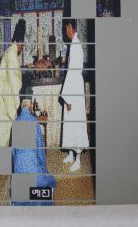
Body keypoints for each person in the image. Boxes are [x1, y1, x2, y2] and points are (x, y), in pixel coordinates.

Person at [12, 99, 56, 206]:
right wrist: (43, 165)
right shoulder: (33, 121)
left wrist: (15, 165)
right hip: (32, 162)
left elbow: (13, 150)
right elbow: (40, 147)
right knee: (44, 182)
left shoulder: (16, 122)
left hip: (19, 163)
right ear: (30, 107)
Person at [0, 19, 26, 147]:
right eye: (22, 45)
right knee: (3, 137)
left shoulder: (9, 52)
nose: (22, 48)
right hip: (5, 102)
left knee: (0, 135)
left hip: (1, 100)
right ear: (20, 43)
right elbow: (14, 84)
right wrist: (17, 106)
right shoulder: (12, 55)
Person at [60, 19, 89, 172]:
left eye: (68, 28)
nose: (67, 31)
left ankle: (78, 159)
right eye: (66, 29)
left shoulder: (76, 45)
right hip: (72, 86)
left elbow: (73, 73)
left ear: (73, 28)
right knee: (69, 122)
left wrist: (68, 97)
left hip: (74, 88)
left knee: (76, 122)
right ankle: (71, 154)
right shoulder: (73, 44)